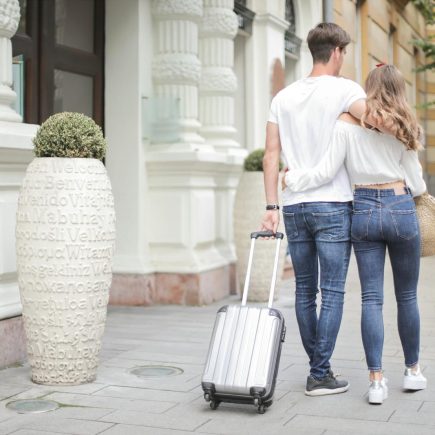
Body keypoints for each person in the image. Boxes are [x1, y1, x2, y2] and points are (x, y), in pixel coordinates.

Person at [283, 64, 428, 404]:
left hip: (362, 210)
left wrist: (293, 179)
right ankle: (413, 371)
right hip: (400, 206)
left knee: (371, 299)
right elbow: (418, 182)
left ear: (368, 89)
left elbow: (325, 171)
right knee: (407, 296)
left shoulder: (346, 124)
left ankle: (376, 382)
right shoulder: (404, 127)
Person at [261, 22, 370, 396]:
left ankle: (317, 367)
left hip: (293, 204)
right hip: (334, 203)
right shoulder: (346, 90)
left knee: (305, 290)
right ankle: (319, 373)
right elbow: (375, 120)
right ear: (337, 50)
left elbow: (271, 154)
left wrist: (271, 205)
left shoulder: (283, 97)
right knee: (334, 290)